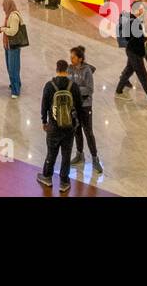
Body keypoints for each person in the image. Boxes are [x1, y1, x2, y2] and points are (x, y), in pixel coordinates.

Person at [37, 59, 78, 193]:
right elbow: (79, 106)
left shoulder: (49, 86)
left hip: (53, 127)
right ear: (67, 71)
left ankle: (47, 177)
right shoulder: (73, 86)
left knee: (51, 153)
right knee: (66, 155)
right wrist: (76, 123)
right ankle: (64, 182)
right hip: (69, 127)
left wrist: (44, 121)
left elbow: (44, 106)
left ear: (56, 69)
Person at [114, 1, 147, 103]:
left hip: (131, 50)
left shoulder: (129, 19)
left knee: (128, 71)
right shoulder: (133, 22)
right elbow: (140, 38)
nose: (143, 10)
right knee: (142, 75)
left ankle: (118, 91)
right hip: (135, 51)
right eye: (141, 8)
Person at [68, 46, 102, 173]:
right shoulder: (69, 69)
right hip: (74, 105)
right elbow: (68, 84)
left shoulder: (87, 71)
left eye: (73, 57)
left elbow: (89, 89)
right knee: (77, 130)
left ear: (80, 59)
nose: (71, 59)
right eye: (71, 57)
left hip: (85, 106)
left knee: (88, 132)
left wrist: (75, 90)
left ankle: (95, 158)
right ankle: (79, 154)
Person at [0, 0, 24, 98]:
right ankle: (17, 83)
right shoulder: (9, 15)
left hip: (13, 46)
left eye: (4, 6)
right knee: (11, 67)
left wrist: (3, 29)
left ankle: (15, 91)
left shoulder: (14, 16)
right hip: (8, 45)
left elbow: (13, 31)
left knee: (13, 68)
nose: (3, 8)